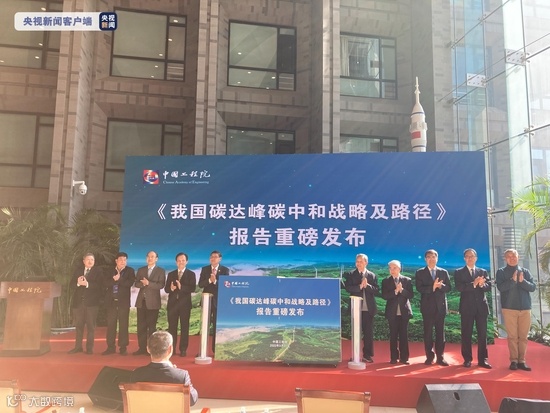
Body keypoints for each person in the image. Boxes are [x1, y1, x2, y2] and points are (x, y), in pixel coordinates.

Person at [131, 331, 198, 406]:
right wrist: (174, 370)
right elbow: (192, 400)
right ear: (170, 349)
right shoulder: (181, 376)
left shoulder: (137, 374)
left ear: (148, 349)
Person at [496, 248, 537, 371]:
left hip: (525, 308)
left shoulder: (525, 271)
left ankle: (522, 361)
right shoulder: (501, 272)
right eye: (509, 256)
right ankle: (513, 360)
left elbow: (532, 287)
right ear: (505, 258)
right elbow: (501, 287)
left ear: (518, 257)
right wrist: (513, 281)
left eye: (514, 256)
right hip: (509, 309)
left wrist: (522, 281)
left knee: (523, 337)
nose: (512, 258)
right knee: (512, 336)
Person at [453, 248, 492, 369]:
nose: (470, 258)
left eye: (472, 256)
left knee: (482, 334)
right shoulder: (459, 272)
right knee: (466, 334)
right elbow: (459, 287)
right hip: (467, 307)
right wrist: (474, 284)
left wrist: (482, 284)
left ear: (476, 258)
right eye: (467, 256)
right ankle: (467, 359)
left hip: (481, 307)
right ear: (464, 258)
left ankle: (482, 360)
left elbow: (489, 286)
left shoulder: (483, 271)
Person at [415, 249, 452, 366]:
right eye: (428, 257)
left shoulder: (443, 272)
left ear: (437, 258)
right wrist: (432, 287)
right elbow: (419, 288)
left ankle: (440, 357)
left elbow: (449, 288)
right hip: (427, 307)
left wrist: (441, 286)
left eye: (433, 257)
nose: (431, 259)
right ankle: (429, 357)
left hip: (440, 307)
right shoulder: (420, 272)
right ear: (425, 259)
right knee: (428, 333)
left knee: (440, 333)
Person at [343, 253, 379, 363]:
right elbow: (348, 288)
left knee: (368, 333)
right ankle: (355, 355)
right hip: (355, 308)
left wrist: (367, 286)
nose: (358, 264)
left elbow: (376, 290)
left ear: (366, 263)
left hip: (368, 309)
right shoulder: (351, 274)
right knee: (355, 333)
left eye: (361, 262)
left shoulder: (372, 275)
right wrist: (359, 286)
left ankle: (367, 355)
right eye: (357, 262)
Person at [68, 252, 103, 355]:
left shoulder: (98, 271)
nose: (90, 261)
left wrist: (87, 284)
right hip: (78, 303)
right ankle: (78, 347)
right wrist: (78, 283)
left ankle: (89, 348)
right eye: (88, 259)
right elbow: (71, 285)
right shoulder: (78, 271)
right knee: (79, 326)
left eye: (92, 260)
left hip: (92, 304)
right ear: (84, 261)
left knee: (91, 327)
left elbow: (100, 286)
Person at [102, 252, 135, 356]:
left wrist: (119, 279)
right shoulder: (109, 270)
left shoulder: (130, 271)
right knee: (111, 325)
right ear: (116, 261)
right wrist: (114, 279)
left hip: (123, 302)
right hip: (111, 301)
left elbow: (129, 283)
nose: (123, 262)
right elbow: (105, 283)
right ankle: (110, 347)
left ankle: (123, 348)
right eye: (121, 260)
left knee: (123, 325)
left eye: (125, 260)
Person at [133, 251, 166, 355]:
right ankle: (141, 348)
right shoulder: (141, 270)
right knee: (141, 327)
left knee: (152, 327)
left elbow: (161, 285)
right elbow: (136, 283)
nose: (150, 258)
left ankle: (151, 349)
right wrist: (142, 284)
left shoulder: (161, 271)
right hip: (141, 302)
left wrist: (148, 283)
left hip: (153, 303)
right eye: (148, 256)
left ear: (156, 259)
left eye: (152, 257)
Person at [381, 260, 413, 364]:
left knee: (404, 336)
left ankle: (404, 358)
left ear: (399, 269)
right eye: (390, 268)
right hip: (392, 313)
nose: (392, 270)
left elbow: (411, 295)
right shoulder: (385, 281)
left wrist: (402, 290)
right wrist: (395, 291)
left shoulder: (407, 280)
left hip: (404, 312)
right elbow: (384, 296)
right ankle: (394, 358)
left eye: (394, 268)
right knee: (393, 336)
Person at [165, 252, 197, 357]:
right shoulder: (171, 274)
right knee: (172, 327)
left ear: (186, 262)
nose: (181, 262)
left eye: (183, 260)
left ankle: (183, 349)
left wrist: (181, 287)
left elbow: (192, 288)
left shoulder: (191, 274)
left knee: (184, 327)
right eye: (179, 260)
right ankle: (172, 349)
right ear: (176, 262)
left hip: (185, 305)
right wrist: (171, 288)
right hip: (172, 305)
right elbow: (166, 289)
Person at [198, 250, 229, 353]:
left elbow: (226, 285)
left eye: (215, 257)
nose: (213, 258)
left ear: (220, 259)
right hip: (206, 301)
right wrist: (209, 280)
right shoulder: (205, 269)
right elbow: (200, 284)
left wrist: (215, 281)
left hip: (218, 302)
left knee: (216, 326)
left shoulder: (225, 270)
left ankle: (215, 350)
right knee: (204, 326)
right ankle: (203, 351)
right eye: (211, 256)